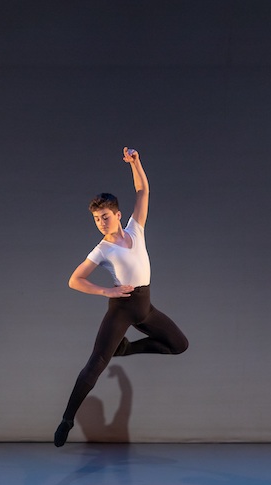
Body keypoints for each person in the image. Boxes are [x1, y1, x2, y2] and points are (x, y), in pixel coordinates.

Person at [54, 147, 189, 447]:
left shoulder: (135, 229)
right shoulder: (102, 250)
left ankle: (126, 350)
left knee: (179, 345)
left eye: (104, 216)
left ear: (117, 215)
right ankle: (66, 419)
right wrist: (107, 290)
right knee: (96, 364)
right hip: (122, 310)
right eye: (96, 219)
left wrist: (136, 163)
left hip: (146, 308)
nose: (101, 222)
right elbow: (75, 280)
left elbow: (142, 191)